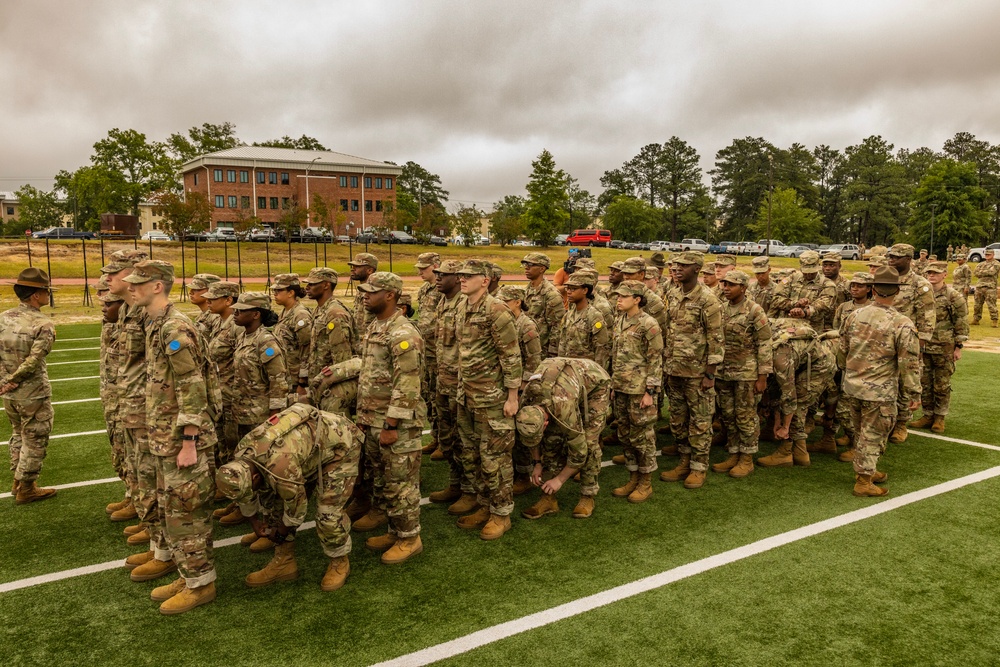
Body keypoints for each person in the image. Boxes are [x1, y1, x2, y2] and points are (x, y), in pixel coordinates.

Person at [124, 260, 219, 614]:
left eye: (138, 283)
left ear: (158, 286)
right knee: (171, 512)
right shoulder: (155, 323)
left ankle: (201, 584)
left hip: (183, 440)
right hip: (165, 436)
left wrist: (190, 441)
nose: (131, 288)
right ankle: (187, 573)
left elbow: (192, 386)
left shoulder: (175, 328)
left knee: (186, 514)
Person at [217, 404, 362, 591]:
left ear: (254, 476)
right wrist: (255, 522)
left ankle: (339, 560)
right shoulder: (242, 454)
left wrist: (281, 531)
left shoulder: (280, 466)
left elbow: (298, 508)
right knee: (272, 499)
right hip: (307, 451)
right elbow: (247, 496)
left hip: (340, 447)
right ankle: (284, 561)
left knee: (328, 514)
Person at [353, 272, 427, 564]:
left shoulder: (403, 332)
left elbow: (408, 383)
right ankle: (395, 530)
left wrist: (391, 424)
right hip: (373, 419)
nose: (365, 296)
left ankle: (410, 538)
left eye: (372, 292)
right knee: (384, 480)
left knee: (401, 484)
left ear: (390, 296)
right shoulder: (376, 325)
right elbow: (370, 376)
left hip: (396, 424)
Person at [453, 259, 523, 539]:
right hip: (467, 395)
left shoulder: (497, 310)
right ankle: (484, 504)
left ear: (484, 280)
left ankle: (501, 513)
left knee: (495, 458)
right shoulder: (463, 306)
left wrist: (512, 396)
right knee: (471, 456)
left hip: (493, 399)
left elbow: (511, 355)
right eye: (461, 275)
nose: (462, 279)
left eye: (468, 276)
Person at [837, 266, 920, 497]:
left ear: (873, 290)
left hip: (853, 386)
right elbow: (909, 364)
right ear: (897, 292)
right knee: (873, 435)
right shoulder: (902, 323)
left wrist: (852, 371)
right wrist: (914, 394)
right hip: (879, 392)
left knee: (861, 432)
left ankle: (867, 470)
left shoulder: (854, 315)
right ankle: (863, 482)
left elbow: (841, 350)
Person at [103, 249, 162, 555]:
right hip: (131, 404)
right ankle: (147, 521)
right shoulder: (128, 310)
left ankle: (159, 542)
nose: (107, 278)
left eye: (114, 272)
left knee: (151, 473)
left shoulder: (147, 313)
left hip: (147, 409)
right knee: (138, 467)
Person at [516, 357, 611, 519]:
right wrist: (537, 463)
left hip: (595, 384)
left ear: (545, 422)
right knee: (551, 440)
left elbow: (580, 451)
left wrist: (559, 480)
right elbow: (533, 437)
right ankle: (548, 499)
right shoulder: (525, 402)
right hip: (564, 383)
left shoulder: (563, 408)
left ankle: (587, 496)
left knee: (589, 442)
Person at [660, 252, 724, 489]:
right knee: (678, 419)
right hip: (674, 369)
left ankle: (699, 466)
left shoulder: (708, 299)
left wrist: (710, 373)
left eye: (683, 267)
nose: (677, 269)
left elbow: (716, 338)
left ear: (697, 269)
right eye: (676, 266)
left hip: (697, 373)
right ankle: (684, 460)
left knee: (700, 422)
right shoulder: (674, 293)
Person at [1, 268, 57, 504]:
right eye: (46, 291)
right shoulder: (43, 323)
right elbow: (34, 360)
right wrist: (14, 378)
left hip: (9, 394)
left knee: (17, 434)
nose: (48, 295)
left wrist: (5, 380)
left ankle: (17, 480)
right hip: (32, 392)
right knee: (35, 437)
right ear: (36, 295)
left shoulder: (3, 317)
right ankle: (26, 487)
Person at [712, 271, 772, 479]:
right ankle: (734, 452)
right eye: (724, 284)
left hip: (747, 372)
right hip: (724, 371)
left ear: (744, 288)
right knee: (728, 414)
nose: (726, 288)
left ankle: (747, 457)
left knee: (745, 415)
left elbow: (764, 343)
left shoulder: (755, 311)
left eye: (731, 285)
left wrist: (763, 375)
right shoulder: (721, 309)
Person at [608, 280, 663, 501]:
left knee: (643, 437)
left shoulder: (648, 324)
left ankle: (645, 481)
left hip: (640, 390)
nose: (618, 299)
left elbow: (655, 359)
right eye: (618, 296)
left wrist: (650, 391)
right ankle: (633, 476)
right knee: (625, 435)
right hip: (621, 388)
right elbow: (616, 356)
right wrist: (613, 385)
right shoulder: (620, 320)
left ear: (637, 299)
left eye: (623, 296)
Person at [757, 318, 837, 469]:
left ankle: (785, 452)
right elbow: (775, 390)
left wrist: (784, 427)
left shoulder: (778, 355)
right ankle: (800, 453)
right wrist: (776, 421)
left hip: (820, 367)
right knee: (789, 398)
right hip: (805, 362)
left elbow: (789, 395)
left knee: (799, 403)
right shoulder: (768, 330)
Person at [909, 261, 968, 434]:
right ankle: (927, 415)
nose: (931, 275)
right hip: (923, 345)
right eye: (929, 272)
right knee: (924, 382)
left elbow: (961, 322)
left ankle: (940, 417)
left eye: (936, 272)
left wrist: (959, 347)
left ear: (945, 275)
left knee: (942, 384)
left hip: (945, 346)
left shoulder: (953, 296)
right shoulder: (921, 294)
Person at [885, 244, 936, 444]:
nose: (892, 260)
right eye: (890, 256)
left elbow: (927, 315)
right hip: (882, 340)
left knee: (905, 383)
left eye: (897, 257)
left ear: (908, 259)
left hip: (907, 341)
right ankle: (886, 422)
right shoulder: (885, 278)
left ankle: (901, 424)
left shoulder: (920, 284)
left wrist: (920, 344)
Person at [427, 260, 469, 503]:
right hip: (443, 379)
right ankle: (455, 483)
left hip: (459, 383)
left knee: (464, 439)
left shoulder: (465, 303)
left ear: (457, 278)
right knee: (447, 437)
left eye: (444, 274)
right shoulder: (443, 302)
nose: (438, 278)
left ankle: (469, 490)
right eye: (437, 274)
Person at [497, 284, 542, 496]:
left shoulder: (527, 326)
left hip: (522, 387)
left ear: (517, 302)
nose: (501, 305)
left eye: (505, 301)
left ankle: (524, 474)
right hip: (506, 384)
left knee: (521, 431)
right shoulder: (503, 321)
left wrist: (523, 387)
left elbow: (534, 360)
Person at [828, 273, 874, 462]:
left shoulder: (873, 310)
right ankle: (847, 436)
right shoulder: (844, 307)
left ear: (869, 289)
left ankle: (859, 446)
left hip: (863, 364)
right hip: (843, 360)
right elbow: (837, 332)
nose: (855, 288)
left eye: (860, 286)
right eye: (853, 285)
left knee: (853, 406)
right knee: (838, 400)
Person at [232, 292, 287, 440]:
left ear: (256, 314)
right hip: (242, 413)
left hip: (260, 416)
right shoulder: (242, 336)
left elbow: (278, 379)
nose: (235, 314)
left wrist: (274, 416)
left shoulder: (266, 341)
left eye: (241, 311)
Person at [97, 274, 131, 516]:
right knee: (119, 450)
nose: (102, 302)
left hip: (127, 400)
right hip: (113, 397)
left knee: (129, 452)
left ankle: (138, 502)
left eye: (108, 300)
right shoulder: (111, 324)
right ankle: (132, 495)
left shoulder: (132, 325)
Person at [299, 268, 355, 412]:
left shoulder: (335, 314)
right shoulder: (320, 310)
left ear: (326, 285)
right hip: (321, 386)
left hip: (333, 390)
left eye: (312, 284)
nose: (307, 288)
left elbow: (342, 361)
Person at [204, 281, 242, 477]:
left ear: (229, 300)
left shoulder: (238, 327)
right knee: (219, 440)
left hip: (231, 395)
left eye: (213, 299)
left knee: (231, 443)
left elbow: (244, 363)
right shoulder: (217, 321)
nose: (208, 302)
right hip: (218, 393)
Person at [414, 253, 442, 455]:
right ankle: (435, 436)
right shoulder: (424, 290)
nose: (420, 272)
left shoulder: (443, 289)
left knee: (439, 395)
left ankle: (444, 441)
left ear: (436, 266)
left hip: (439, 349)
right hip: (425, 349)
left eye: (424, 268)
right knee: (428, 393)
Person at [768, 250, 836, 332]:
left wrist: (804, 311)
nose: (808, 274)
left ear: (818, 267)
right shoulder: (792, 279)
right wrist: (795, 304)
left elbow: (823, 305)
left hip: (811, 330)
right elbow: (776, 299)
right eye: (805, 272)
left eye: (812, 272)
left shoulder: (828, 285)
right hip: (786, 327)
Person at [270, 274, 313, 404]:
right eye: (274, 291)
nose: (275, 294)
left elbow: (307, 350)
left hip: (296, 380)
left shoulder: (300, 315)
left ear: (291, 293)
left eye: (279, 291)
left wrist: (302, 382)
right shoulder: (285, 312)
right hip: (286, 377)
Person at [556, 273, 611, 368]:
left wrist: (598, 374)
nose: (569, 292)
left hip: (588, 371)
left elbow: (601, 350)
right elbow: (562, 344)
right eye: (567, 288)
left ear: (585, 290)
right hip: (570, 370)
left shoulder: (594, 316)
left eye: (573, 289)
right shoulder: (568, 315)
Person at [522, 252, 565, 358]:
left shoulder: (551, 293)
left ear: (542, 269)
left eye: (531, 265)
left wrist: (553, 353)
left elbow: (557, 326)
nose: (526, 268)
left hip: (542, 351)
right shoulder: (526, 290)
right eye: (525, 265)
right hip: (527, 348)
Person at [348, 253, 379, 353]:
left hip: (370, 346)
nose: (352, 269)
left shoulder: (374, 292)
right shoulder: (361, 290)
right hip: (359, 345)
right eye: (352, 267)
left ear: (369, 270)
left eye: (357, 267)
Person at [189, 273, 222, 342]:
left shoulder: (216, 317)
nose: (191, 292)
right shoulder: (202, 315)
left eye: (197, 289)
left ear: (211, 291)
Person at [973, 248, 999, 326]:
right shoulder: (981, 264)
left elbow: (992, 272)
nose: (987, 256)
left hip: (990, 287)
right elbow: (975, 273)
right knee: (977, 304)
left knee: (991, 304)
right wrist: (984, 272)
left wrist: (981, 272)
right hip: (979, 286)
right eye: (986, 254)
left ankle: (994, 320)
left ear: (993, 255)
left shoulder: (996, 263)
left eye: (989, 254)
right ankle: (976, 319)